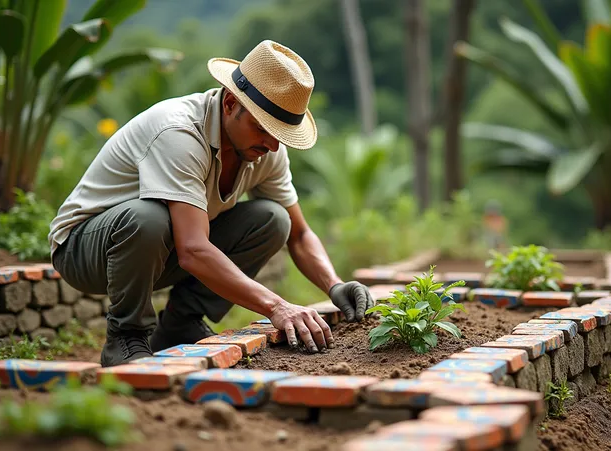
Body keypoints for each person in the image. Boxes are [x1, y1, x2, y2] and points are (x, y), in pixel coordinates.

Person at [48, 40, 374, 367]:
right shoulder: (179, 132)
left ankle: (180, 324)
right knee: (148, 216)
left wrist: (335, 285)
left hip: (160, 252)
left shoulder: (266, 149)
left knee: (273, 220)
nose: (273, 145)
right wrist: (277, 306)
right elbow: (192, 250)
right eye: (263, 128)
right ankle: (126, 337)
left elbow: (299, 236)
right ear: (231, 103)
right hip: (85, 250)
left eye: (281, 134)